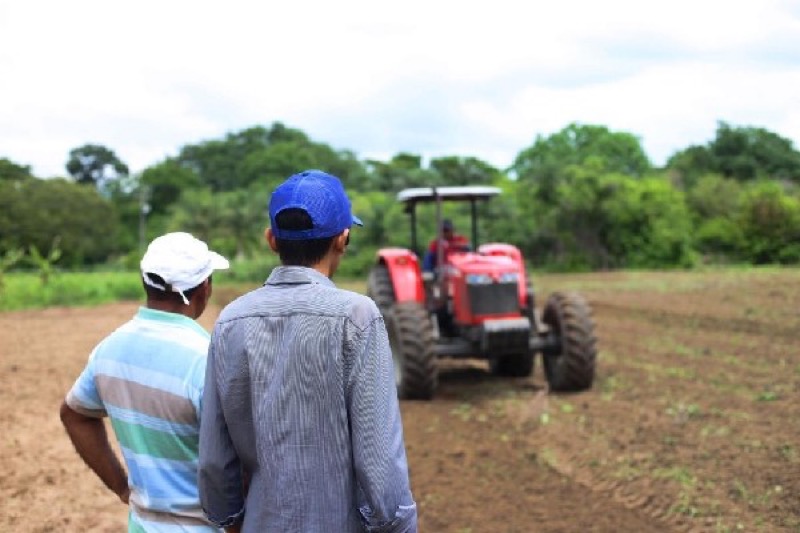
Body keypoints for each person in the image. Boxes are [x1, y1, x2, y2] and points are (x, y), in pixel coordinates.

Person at [198, 169, 417, 533]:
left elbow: (214, 460)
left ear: (271, 239)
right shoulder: (357, 317)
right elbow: (379, 462)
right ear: (342, 239)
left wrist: (231, 521)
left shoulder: (230, 321)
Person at [59, 232, 229, 532]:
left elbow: (74, 414)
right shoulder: (209, 359)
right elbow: (232, 465)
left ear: (145, 282)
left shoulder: (108, 350)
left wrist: (121, 487)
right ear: (204, 288)